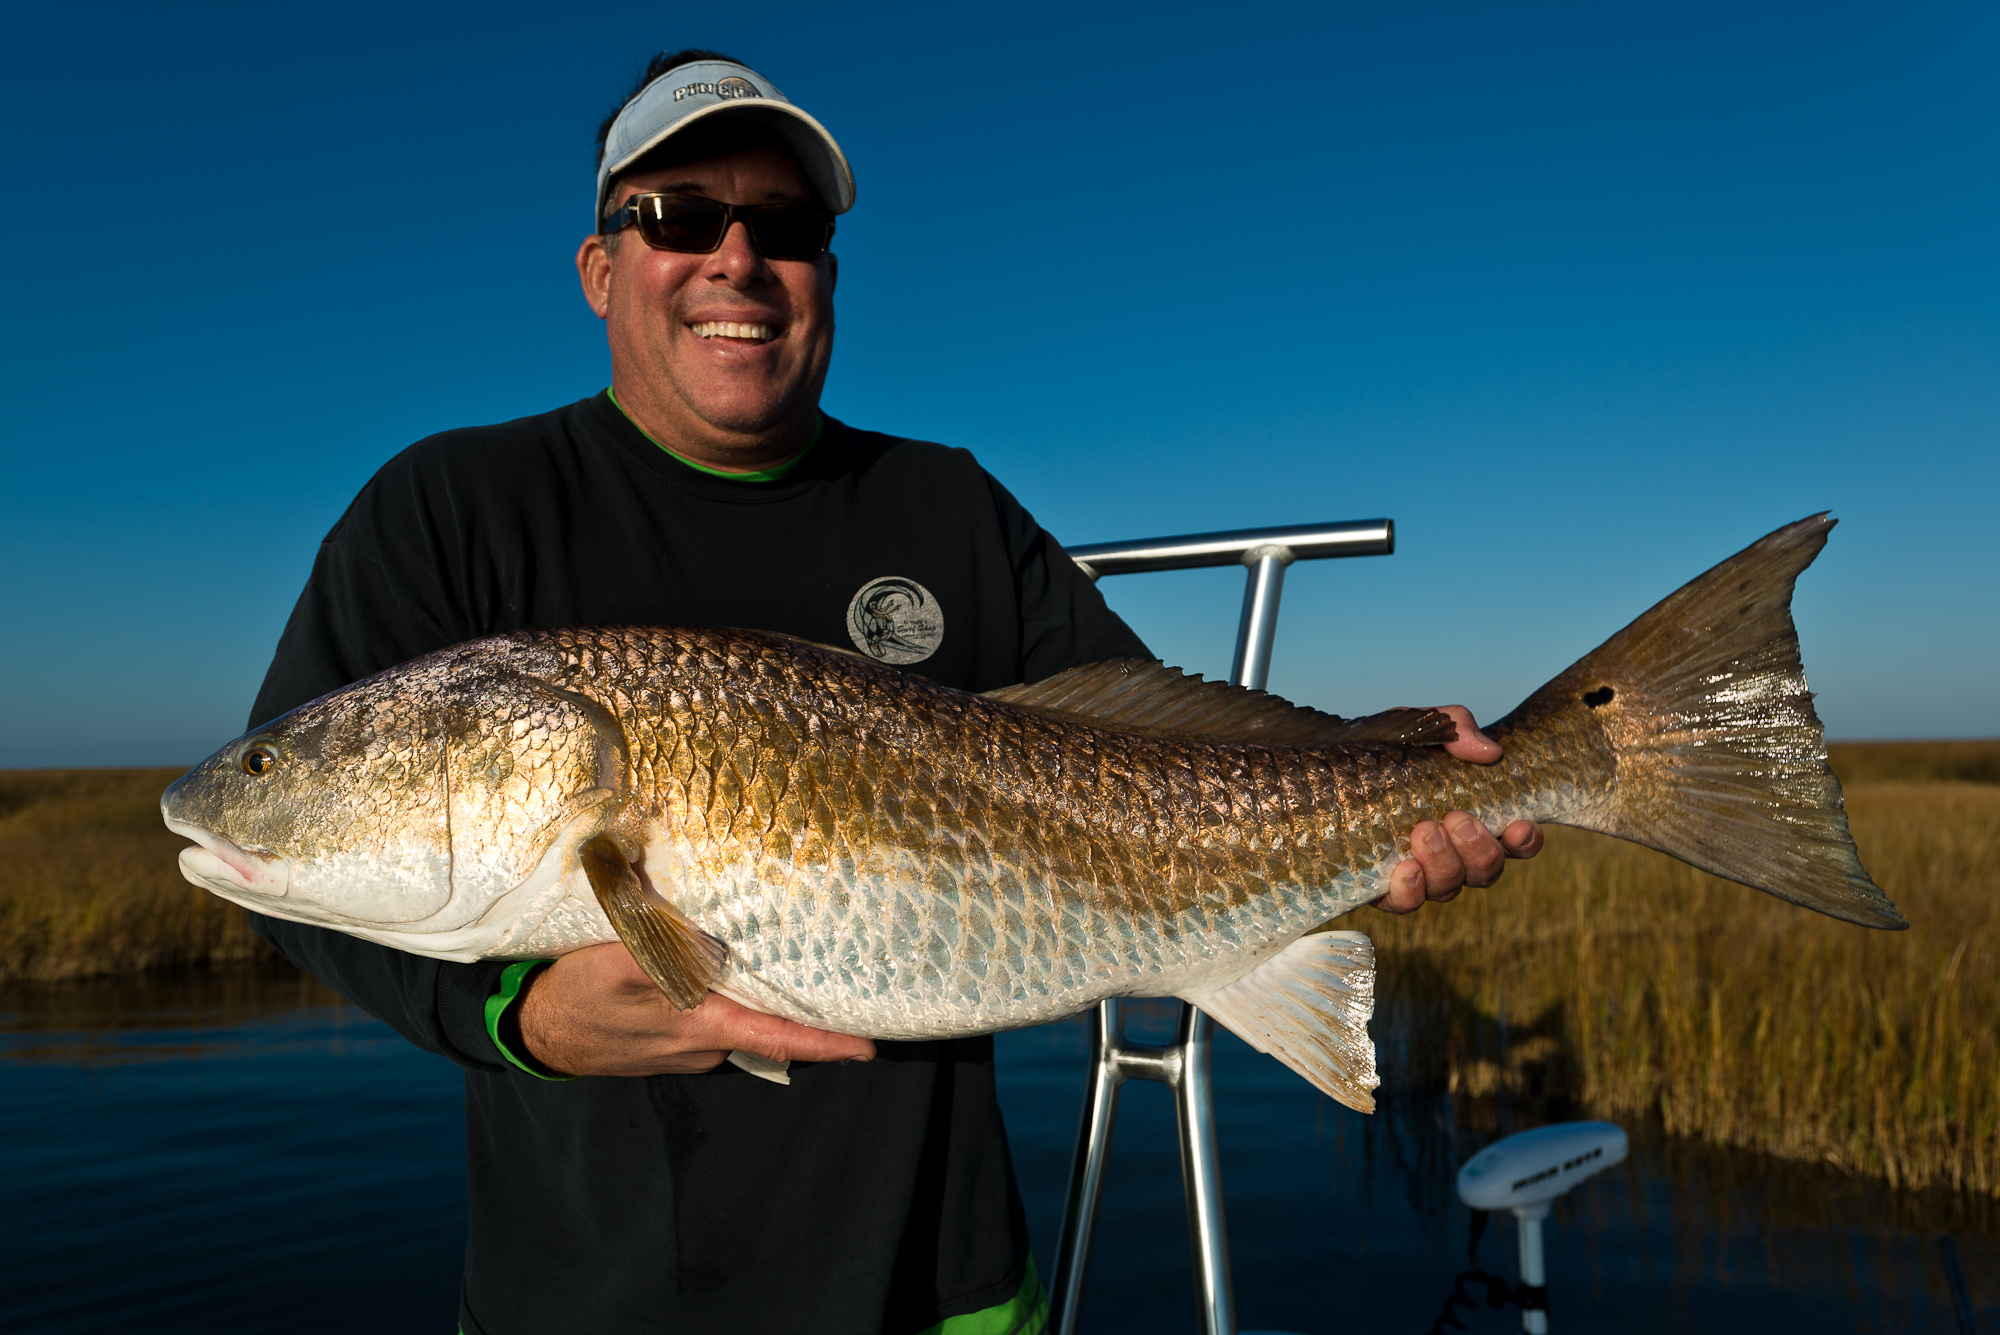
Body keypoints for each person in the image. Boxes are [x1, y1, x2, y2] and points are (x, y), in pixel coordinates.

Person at [247, 50, 1542, 1335]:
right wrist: (516, 1015)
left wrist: (1400, 777)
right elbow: (289, 872)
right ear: (599, 267)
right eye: (681, 215)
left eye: (789, 226)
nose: (738, 258)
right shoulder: (451, 511)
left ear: (828, 273)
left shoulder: (950, 505)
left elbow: (1162, 744)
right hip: (577, 1302)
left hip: (948, 1290)